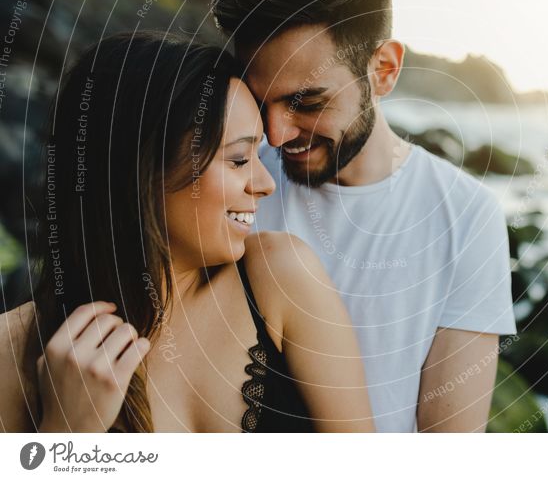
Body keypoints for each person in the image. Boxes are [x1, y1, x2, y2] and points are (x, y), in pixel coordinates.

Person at [212, 0, 516, 432]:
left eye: (306, 101)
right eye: (261, 102)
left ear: (383, 69)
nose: (276, 133)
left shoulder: (466, 218)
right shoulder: (231, 183)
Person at [0, 32, 373, 433]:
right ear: (139, 173)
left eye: (258, 154)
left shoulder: (281, 276)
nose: (264, 183)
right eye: (237, 159)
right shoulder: (12, 351)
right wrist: (68, 433)